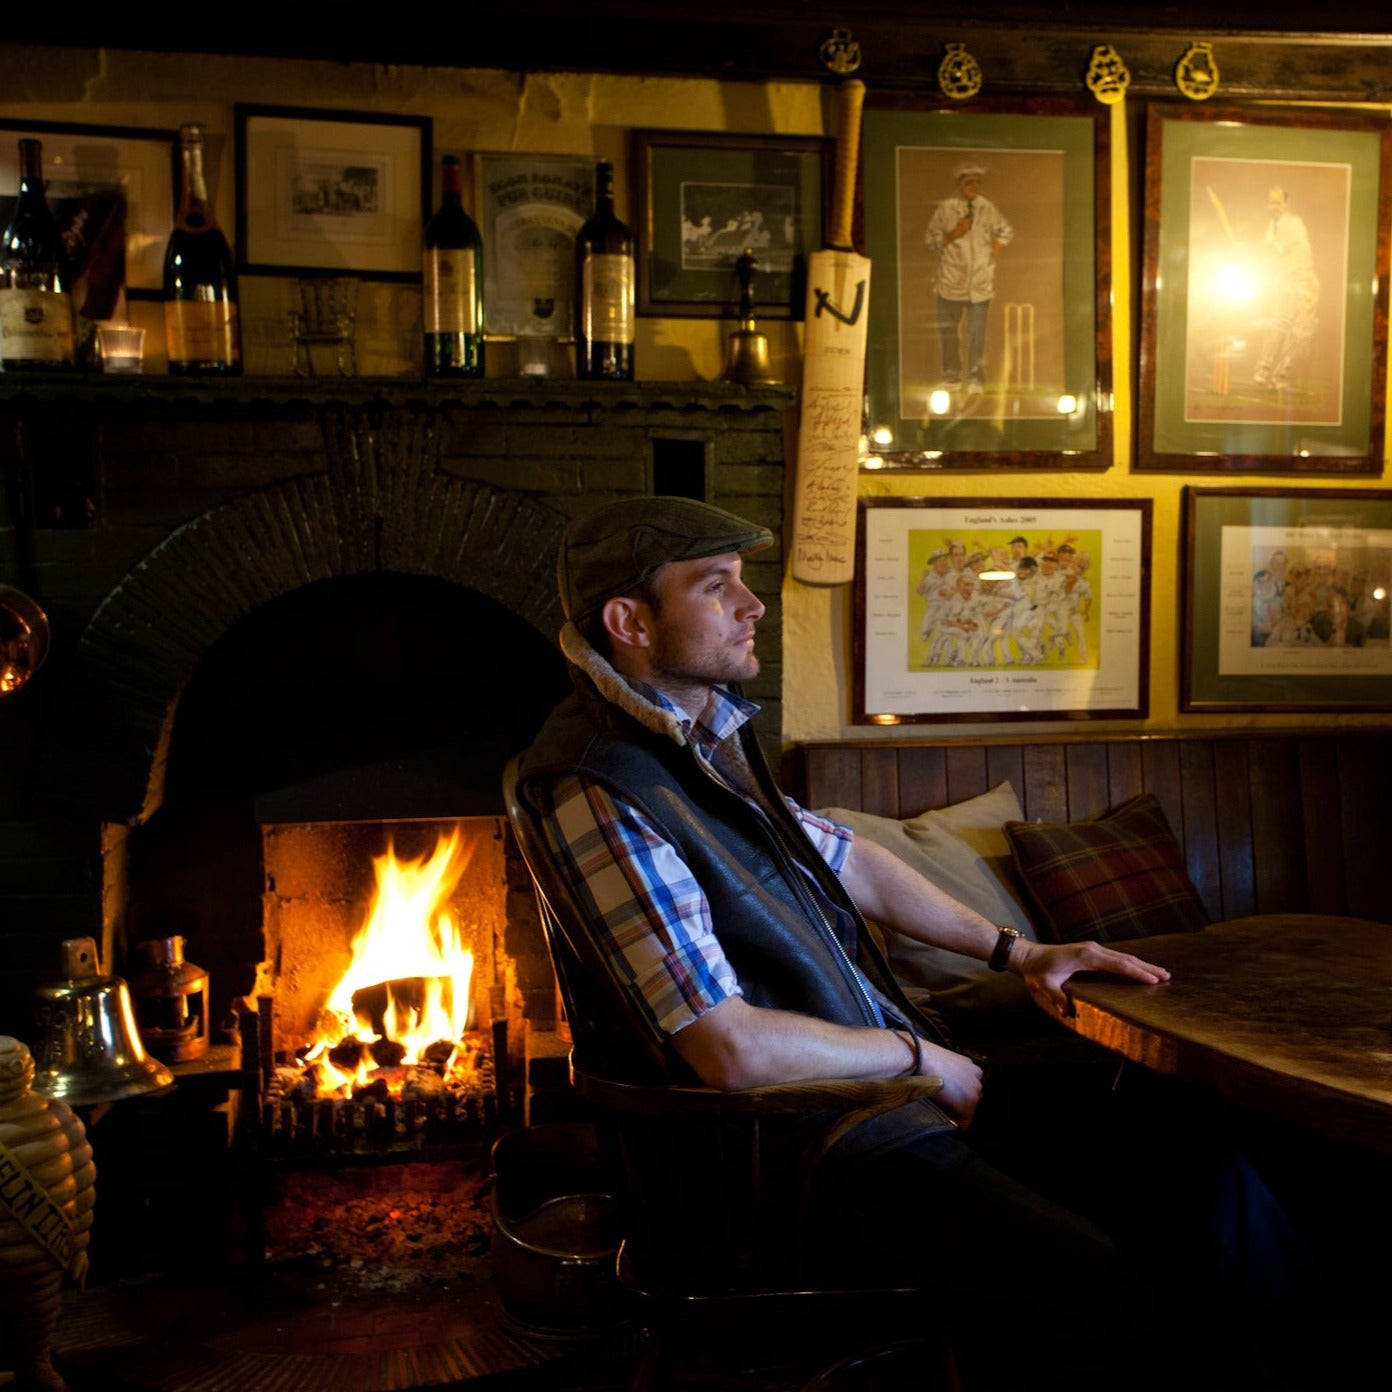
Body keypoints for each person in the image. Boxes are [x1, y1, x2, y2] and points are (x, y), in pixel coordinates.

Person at [515, 496, 1316, 1391]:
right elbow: (725, 1047)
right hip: (791, 1161)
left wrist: (1021, 953)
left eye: (745, 583)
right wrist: (916, 1058)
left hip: (869, 1111)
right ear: (629, 622)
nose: (755, 607)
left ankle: (1286, 1358)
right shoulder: (601, 782)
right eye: (716, 586)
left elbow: (853, 861)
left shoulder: (696, 742)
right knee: (1106, 1287)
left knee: (1184, 1128)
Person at [924, 162, 1014, 395]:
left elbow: (1006, 231)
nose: (973, 186)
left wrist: (991, 252)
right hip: (950, 283)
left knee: (976, 335)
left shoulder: (987, 208)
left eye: (977, 182)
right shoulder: (946, 209)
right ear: (959, 184)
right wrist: (954, 233)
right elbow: (930, 240)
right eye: (969, 182)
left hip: (979, 286)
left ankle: (975, 378)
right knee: (949, 334)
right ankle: (951, 376)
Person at [1253, 187, 1319, 389]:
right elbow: (1268, 254)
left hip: (1305, 281)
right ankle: (1263, 371)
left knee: (1303, 331)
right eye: (1271, 203)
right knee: (1278, 325)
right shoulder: (1270, 227)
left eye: (1278, 203)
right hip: (1286, 282)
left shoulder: (1294, 224)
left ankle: (1279, 372)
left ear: (1286, 204)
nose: (1275, 207)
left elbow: (1279, 249)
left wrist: (1268, 249)